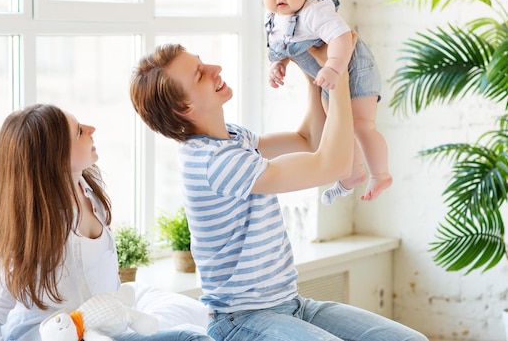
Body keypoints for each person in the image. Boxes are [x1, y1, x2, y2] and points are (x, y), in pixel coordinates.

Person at [129, 43, 428, 341]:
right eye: (199, 74)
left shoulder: (231, 139)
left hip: (292, 305)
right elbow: (332, 166)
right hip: (241, 320)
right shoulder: (214, 162)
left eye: (202, 62)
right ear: (184, 108)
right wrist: (338, 77)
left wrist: (313, 69)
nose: (215, 69)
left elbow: (307, 139)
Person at [0, 104, 212, 341]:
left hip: (105, 332)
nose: (92, 129)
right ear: (54, 157)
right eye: (79, 131)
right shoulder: (31, 228)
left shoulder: (92, 192)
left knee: (191, 336)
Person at [260, 0, 392, 204]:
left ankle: (381, 174)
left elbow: (343, 37)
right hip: (329, 79)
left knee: (362, 125)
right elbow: (288, 44)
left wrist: (332, 66)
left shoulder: (314, 11)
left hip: (354, 71)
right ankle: (352, 174)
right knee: (340, 125)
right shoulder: (276, 19)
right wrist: (280, 65)